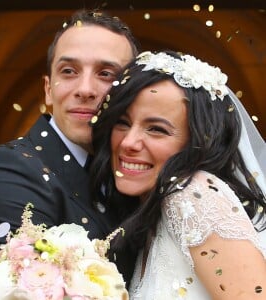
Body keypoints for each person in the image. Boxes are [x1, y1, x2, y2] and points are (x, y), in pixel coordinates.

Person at [0, 10, 140, 299]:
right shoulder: (3, 169)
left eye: (106, 74)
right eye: (69, 71)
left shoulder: (132, 179)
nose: (85, 89)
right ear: (48, 89)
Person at [90, 50, 266, 299]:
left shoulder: (194, 194)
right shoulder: (153, 215)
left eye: (156, 129)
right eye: (123, 122)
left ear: (197, 143)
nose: (129, 142)